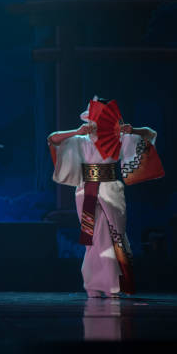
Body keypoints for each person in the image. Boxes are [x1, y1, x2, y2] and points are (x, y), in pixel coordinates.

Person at [48, 97, 162, 297]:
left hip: (110, 188)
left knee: (115, 233)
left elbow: (149, 133)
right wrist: (76, 131)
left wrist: (131, 130)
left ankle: (115, 283)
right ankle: (94, 284)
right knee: (92, 237)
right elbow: (53, 138)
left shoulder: (118, 137)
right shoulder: (81, 139)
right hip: (86, 189)